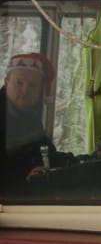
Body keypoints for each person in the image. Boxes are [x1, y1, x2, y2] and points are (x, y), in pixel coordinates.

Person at [0, 52, 73, 195]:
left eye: (32, 85)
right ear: (6, 82)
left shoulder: (29, 117)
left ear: (40, 90)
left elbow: (47, 156)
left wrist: (84, 161)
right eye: (19, 82)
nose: (25, 90)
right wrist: (23, 181)